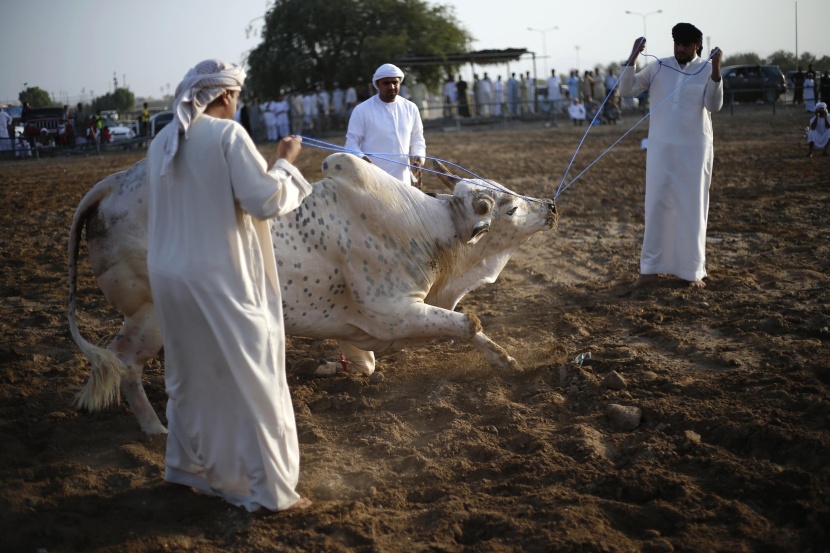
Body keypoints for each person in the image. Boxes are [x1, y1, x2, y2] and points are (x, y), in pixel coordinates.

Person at [145, 59, 313, 513]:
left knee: (189, 373)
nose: (237, 105)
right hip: (217, 276)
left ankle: (184, 469)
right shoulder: (227, 135)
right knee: (252, 379)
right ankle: (269, 492)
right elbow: (265, 200)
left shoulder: (161, 141)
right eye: (236, 96)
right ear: (223, 95)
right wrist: (285, 163)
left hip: (167, 275)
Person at [619, 23, 723, 289]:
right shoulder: (659, 66)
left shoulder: (705, 69)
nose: (680, 49)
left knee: (691, 208)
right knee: (656, 206)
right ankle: (649, 271)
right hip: (660, 150)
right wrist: (632, 57)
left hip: (695, 151)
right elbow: (627, 89)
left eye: (686, 45)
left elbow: (714, 105)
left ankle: (691, 272)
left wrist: (716, 71)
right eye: (677, 44)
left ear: (697, 45)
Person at [344, 63, 426, 185]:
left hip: (403, 181)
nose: (391, 87)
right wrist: (362, 158)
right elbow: (350, 144)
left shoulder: (411, 108)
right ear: (377, 84)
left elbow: (417, 139)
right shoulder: (362, 110)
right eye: (386, 83)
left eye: (395, 82)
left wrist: (419, 156)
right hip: (372, 181)